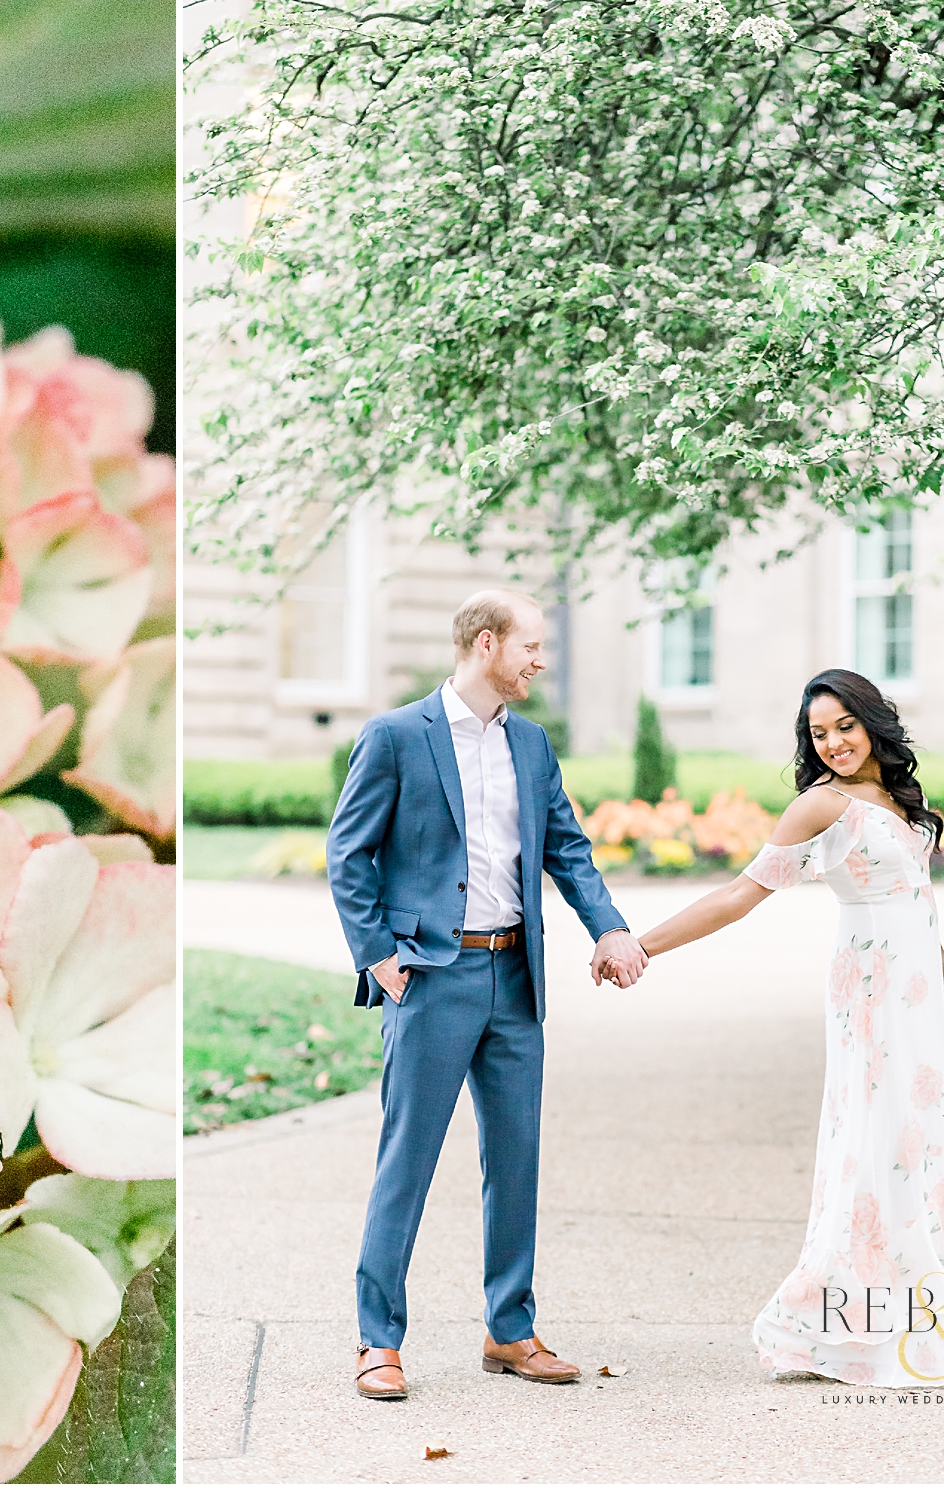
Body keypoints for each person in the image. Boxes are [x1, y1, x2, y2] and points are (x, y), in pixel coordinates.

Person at [625, 669, 944, 1386]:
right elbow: (742, 894)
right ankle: (852, 1319)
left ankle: (932, 1302)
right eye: (818, 733)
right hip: (868, 987)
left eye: (844, 725)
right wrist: (644, 944)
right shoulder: (819, 807)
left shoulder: (903, 797)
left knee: (923, 1132)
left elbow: (918, 901)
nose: (833, 742)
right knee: (877, 1133)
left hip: (917, 988)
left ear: (872, 722)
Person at [327, 589, 647, 1401]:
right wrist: (377, 956)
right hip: (433, 978)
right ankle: (377, 1339)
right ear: (484, 643)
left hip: (516, 977)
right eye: (531, 646)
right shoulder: (397, 736)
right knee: (409, 1159)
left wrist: (608, 928)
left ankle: (510, 1328)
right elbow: (348, 852)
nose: (540, 660)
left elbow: (568, 849)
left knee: (516, 1159)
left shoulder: (533, 745)